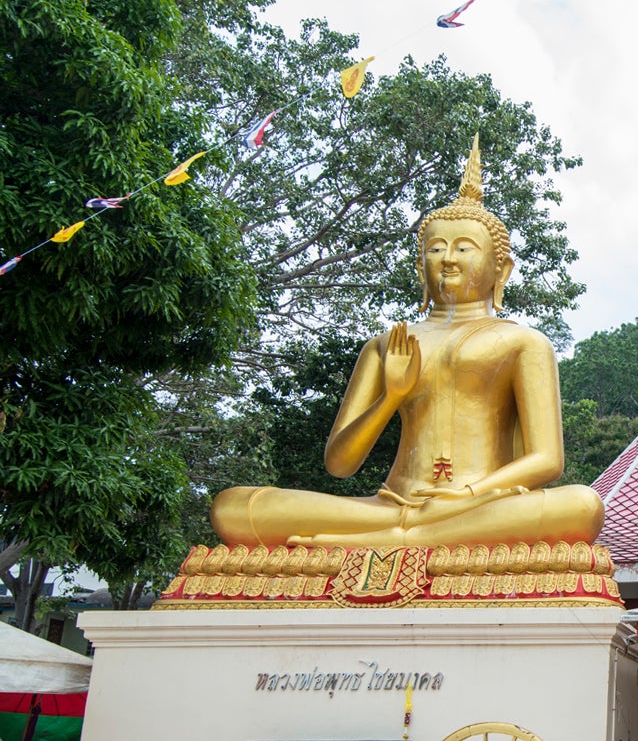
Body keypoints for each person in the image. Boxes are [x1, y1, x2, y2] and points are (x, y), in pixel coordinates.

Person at [210, 137, 603, 549]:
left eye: (464, 248)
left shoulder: (523, 342)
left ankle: (400, 537)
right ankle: (405, 530)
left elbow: (547, 460)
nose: (448, 259)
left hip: (476, 504)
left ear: (501, 269)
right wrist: (391, 397)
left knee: (581, 505)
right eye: (435, 249)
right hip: (389, 503)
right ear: (420, 267)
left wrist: (466, 495)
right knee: (232, 507)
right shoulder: (386, 345)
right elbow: (340, 464)